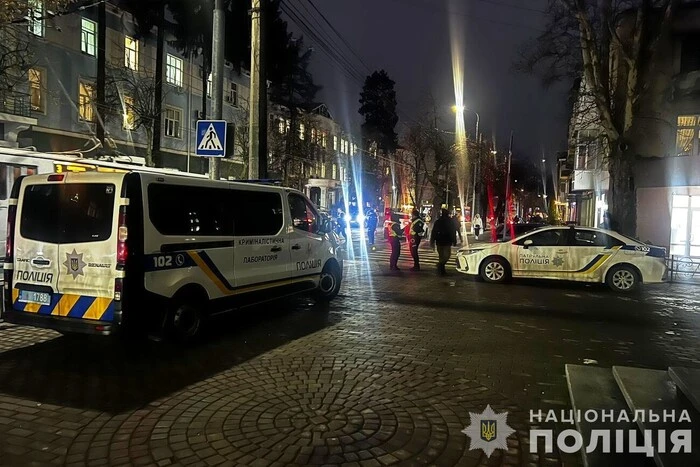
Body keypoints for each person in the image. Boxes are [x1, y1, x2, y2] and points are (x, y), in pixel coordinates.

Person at [430, 209, 457, 276]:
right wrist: (454, 240)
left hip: (439, 241)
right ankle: (441, 267)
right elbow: (453, 232)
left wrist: (432, 241)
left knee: (442, 256)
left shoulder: (438, 221)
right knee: (446, 256)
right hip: (446, 241)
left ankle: (441, 269)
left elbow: (433, 232)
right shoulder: (450, 221)